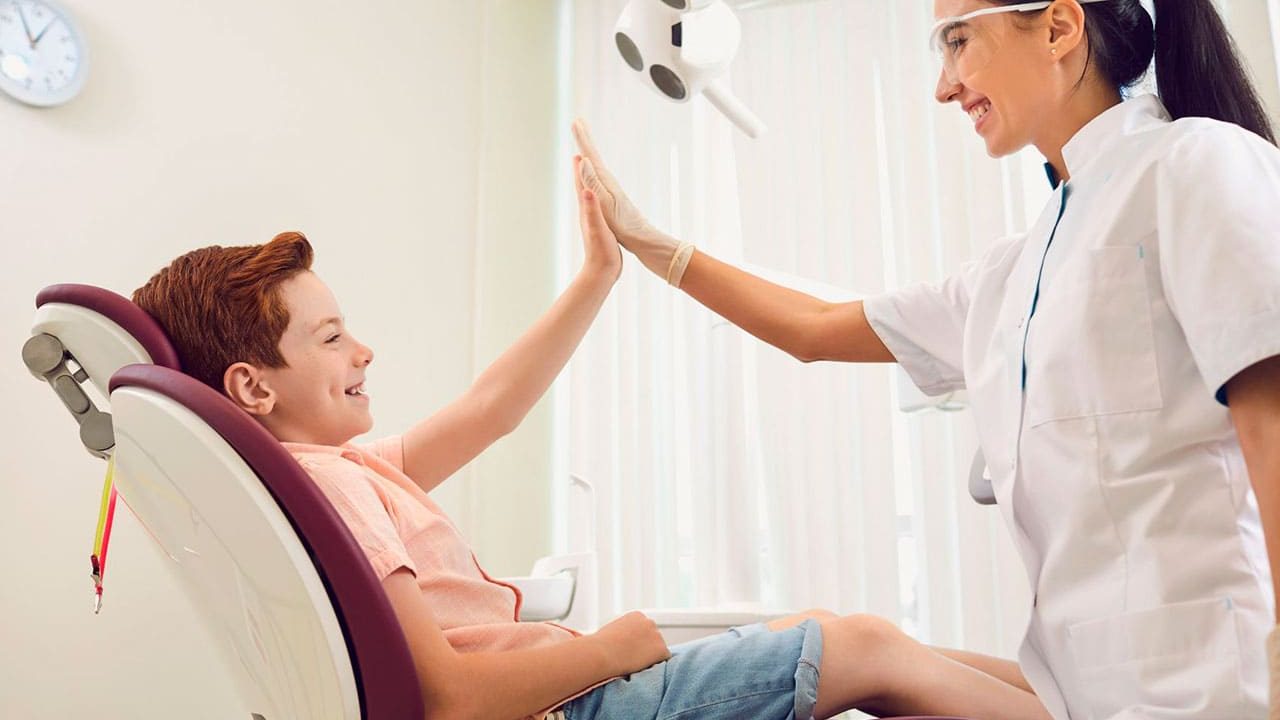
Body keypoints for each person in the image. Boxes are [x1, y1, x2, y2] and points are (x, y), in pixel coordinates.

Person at [129, 166, 1053, 718]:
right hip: (572, 702)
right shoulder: (333, 491)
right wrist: (620, 643)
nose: (363, 349)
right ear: (252, 386)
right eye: (331, 338)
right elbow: (451, 700)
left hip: (564, 688)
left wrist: (601, 274)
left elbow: (494, 407)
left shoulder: (336, 472)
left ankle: (1094, 698)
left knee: (872, 636)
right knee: (862, 648)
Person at [572, 0, 1280, 717]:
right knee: (822, 634)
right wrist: (651, 244)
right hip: (1083, 688)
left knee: (859, 651)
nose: (943, 86)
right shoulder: (1015, 272)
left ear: (1061, 28)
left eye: (958, 41)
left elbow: (1272, 427)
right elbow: (815, 327)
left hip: (1214, 688)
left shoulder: (1196, 164)